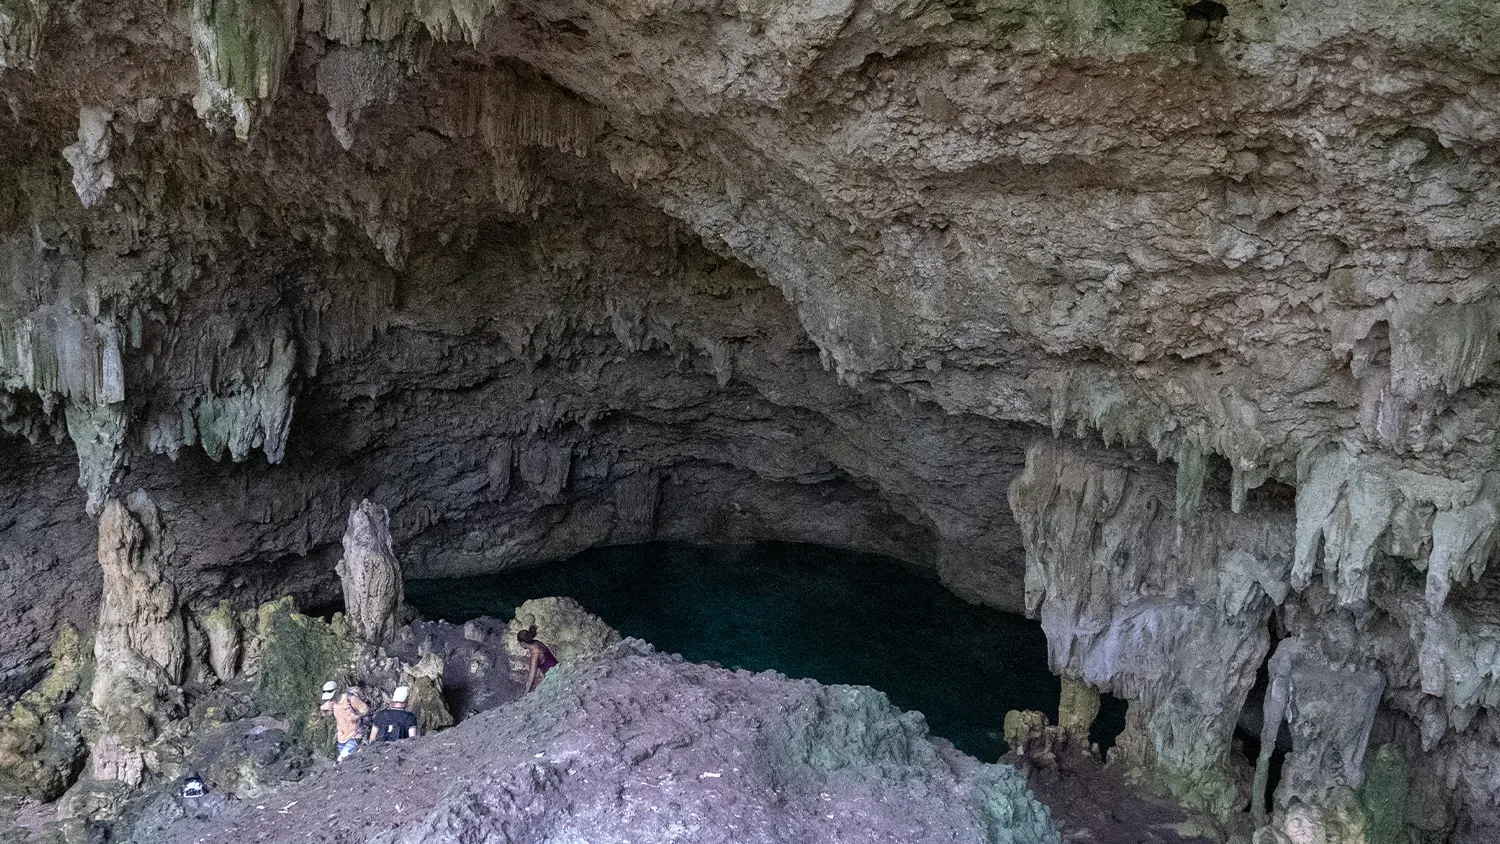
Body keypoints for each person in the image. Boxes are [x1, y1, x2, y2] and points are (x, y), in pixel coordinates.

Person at [331, 686, 371, 761]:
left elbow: (367, 710)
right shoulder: (332, 703)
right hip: (341, 737)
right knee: (347, 761)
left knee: (341, 760)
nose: (329, 699)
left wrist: (357, 717)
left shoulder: (350, 699)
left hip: (355, 735)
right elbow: (326, 712)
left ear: (336, 692)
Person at [517, 625, 558, 693]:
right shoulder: (536, 642)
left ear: (523, 643)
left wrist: (525, 695)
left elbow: (531, 679)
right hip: (557, 668)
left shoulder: (535, 654)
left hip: (554, 676)